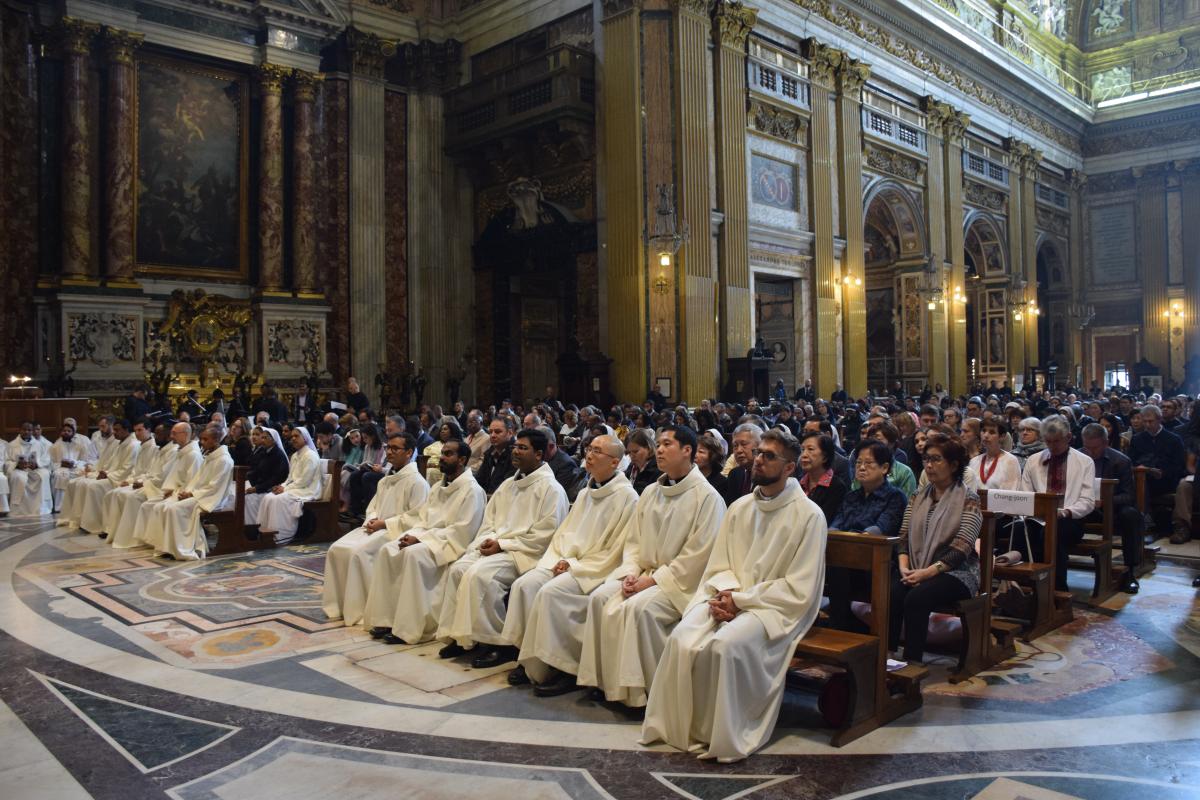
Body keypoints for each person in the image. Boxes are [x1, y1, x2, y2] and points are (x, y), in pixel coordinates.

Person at [641, 428, 827, 762]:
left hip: (774, 609)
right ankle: (682, 729)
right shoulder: (740, 508)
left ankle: (721, 735)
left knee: (725, 645)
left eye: (769, 456)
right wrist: (725, 594)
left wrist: (741, 601)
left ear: (789, 467)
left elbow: (799, 586)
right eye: (759, 453)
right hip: (728, 597)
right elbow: (719, 564)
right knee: (682, 638)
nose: (758, 460)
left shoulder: (809, 516)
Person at [576, 426, 725, 707]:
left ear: (687, 450)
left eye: (667, 444)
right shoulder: (651, 492)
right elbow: (633, 542)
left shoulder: (707, 498)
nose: (659, 450)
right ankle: (606, 683)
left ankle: (645, 694)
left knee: (640, 609)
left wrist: (654, 580)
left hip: (681, 583)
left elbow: (697, 556)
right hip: (644, 574)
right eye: (658, 444)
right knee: (600, 598)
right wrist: (631, 573)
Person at [502, 435, 640, 695]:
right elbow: (563, 534)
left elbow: (615, 550)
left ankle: (562, 667)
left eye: (597, 451)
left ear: (614, 462)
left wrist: (573, 565)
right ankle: (528, 658)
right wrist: (559, 560)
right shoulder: (586, 492)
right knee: (525, 585)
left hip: (594, 569)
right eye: (589, 449)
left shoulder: (627, 498)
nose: (589, 454)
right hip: (565, 561)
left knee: (551, 592)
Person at [434, 429, 569, 668]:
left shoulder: (551, 489)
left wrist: (503, 544)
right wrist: (489, 540)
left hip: (524, 553)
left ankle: (498, 643)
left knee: (480, 576)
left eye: (523, 448)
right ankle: (461, 636)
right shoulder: (508, 484)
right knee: (458, 569)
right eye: (515, 446)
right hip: (497, 547)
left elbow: (546, 536)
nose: (515, 451)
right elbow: (489, 521)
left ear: (539, 454)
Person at [363, 439, 487, 644]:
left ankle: (410, 628)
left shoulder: (472, 491)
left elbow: (462, 532)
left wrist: (420, 539)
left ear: (462, 460)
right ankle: (387, 619)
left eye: (448, 454)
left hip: (447, 545)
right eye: (442, 453)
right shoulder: (437, 487)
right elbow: (423, 520)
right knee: (388, 550)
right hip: (427, 538)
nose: (442, 457)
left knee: (413, 556)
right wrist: (411, 535)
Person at [891, 433, 981, 664]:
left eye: (936, 459)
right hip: (916, 566)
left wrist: (926, 573)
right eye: (926, 459)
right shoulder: (918, 496)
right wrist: (904, 568)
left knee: (917, 597)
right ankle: (888, 656)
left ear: (954, 465)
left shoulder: (969, 498)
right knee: (892, 591)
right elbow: (903, 536)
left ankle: (912, 663)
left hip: (957, 572)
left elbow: (962, 548)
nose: (929, 465)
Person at [322, 432, 430, 626]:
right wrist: (372, 519)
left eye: (395, 448)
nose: (389, 452)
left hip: (395, 533)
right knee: (336, 549)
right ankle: (339, 606)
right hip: (376, 528)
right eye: (388, 448)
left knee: (357, 553)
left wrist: (385, 523)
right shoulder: (386, 479)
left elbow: (417, 517)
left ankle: (360, 608)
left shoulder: (418, 482)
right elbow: (373, 506)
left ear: (409, 452)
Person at [1019, 416, 1096, 591]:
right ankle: (1026, 585)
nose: (1052, 446)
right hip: (1037, 517)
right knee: (1020, 531)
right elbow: (1026, 493)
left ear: (1068, 437)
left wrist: (1065, 512)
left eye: (1056, 441)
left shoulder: (1084, 462)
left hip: (1070, 519)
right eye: (1048, 441)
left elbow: (1087, 501)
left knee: (1052, 533)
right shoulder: (1033, 460)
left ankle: (1057, 588)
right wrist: (1032, 512)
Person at [146, 426, 234, 560]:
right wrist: (186, 492)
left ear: (216, 440)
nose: (202, 442)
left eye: (205, 439)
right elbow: (197, 480)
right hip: (200, 495)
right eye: (201, 439)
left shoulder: (224, 460)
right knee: (164, 506)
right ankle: (167, 547)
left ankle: (182, 548)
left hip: (211, 499)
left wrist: (192, 494)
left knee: (174, 509)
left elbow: (215, 487)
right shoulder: (211, 456)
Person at [108, 422, 193, 549]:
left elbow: (163, 476)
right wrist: (136, 481)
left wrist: (144, 483)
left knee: (132, 497)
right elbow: (150, 472)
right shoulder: (161, 450)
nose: (154, 437)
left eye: (158, 434)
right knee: (118, 493)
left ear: (167, 436)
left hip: (159, 488)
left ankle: (133, 538)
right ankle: (118, 533)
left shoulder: (174, 452)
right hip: (154, 485)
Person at [1080, 423, 1143, 593]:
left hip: (1113, 509)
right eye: (1086, 447)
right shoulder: (1078, 457)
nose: (1090, 452)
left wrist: (1105, 501)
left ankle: (1130, 571)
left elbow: (1129, 496)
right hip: (1084, 507)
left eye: (1095, 448)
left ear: (1106, 443)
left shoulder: (1121, 461)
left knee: (1130, 516)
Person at [61, 419, 140, 532]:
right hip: (111, 475)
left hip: (119, 479)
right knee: (82, 482)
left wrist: (107, 474)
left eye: (117, 430)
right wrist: (102, 471)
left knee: (93, 487)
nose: (114, 433)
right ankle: (80, 519)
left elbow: (127, 469)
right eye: (114, 430)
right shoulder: (120, 443)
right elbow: (110, 463)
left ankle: (93, 524)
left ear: (126, 430)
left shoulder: (133, 445)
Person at [256, 427, 325, 546]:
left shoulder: (310, 456)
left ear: (305, 438)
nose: (293, 439)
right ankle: (264, 532)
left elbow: (304, 481)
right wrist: (281, 486)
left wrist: (285, 489)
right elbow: (290, 478)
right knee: (268, 497)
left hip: (307, 490)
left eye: (296, 436)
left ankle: (281, 535)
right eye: (292, 436)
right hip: (296, 488)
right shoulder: (294, 456)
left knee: (278, 499)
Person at [1127, 404, 1187, 533]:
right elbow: (1130, 461)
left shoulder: (1173, 439)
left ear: (1159, 420)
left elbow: (1179, 465)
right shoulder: (1137, 439)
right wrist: (1144, 469)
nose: (1147, 425)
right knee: (1139, 479)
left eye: (1151, 421)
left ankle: (1144, 518)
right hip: (1142, 477)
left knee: (1142, 481)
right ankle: (1140, 518)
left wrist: (1161, 472)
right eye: (1145, 421)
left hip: (1166, 480)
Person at [94, 419, 158, 537]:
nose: (137, 433)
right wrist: (128, 481)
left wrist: (135, 481)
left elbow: (150, 472)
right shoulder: (142, 446)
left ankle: (127, 533)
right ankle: (111, 529)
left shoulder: (154, 447)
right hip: (135, 481)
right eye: (135, 431)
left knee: (122, 495)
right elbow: (135, 470)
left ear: (149, 430)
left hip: (146, 484)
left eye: (140, 430)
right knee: (111, 495)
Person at [241, 425, 292, 526]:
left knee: (249, 499)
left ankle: (255, 526)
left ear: (273, 439)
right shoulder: (264, 452)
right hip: (262, 486)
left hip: (272, 488)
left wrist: (257, 488)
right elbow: (257, 470)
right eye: (262, 437)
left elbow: (276, 479)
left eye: (265, 438)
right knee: (241, 493)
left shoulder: (278, 455)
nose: (262, 440)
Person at [5, 420, 52, 517]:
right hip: (18, 469)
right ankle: (19, 510)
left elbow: (46, 459)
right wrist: (17, 464)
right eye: (24, 429)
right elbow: (6, 461)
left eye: (29, 430)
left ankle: (40, 508)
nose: (26, 432)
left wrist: (37, 464)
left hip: (35, 469)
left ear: (32, 431)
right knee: (18, 477)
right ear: (19, 430)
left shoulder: (39, 444)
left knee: (43, 475)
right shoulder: (12, 445)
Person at [798, 432, 847, 525]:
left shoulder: (836, 486)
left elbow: (824, 520)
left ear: (825, 457)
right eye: (802, 449)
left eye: (810, 449)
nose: (803, 455)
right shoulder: (798, 484)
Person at [49, 420, 96, 513]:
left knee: (82, 475)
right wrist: (61, 464)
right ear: (61, 432)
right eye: (64, 431)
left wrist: (74, 463)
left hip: (76, 468)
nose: (66, 432)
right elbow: (51, 462)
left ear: (73, 433)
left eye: (69, 431)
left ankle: (77, 506)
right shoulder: (55, 446)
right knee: (59, 475)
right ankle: (60, 507)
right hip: (61, 468)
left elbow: (86, 460)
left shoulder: (80, 445)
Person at [969, 418, 1022, 491]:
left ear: (1002, 436)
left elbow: (1011, 493)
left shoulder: (1010, 460)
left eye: (992, 432)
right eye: (983, 431)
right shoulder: (973, 461)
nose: (986, 435)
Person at [720, 423, 762, 506]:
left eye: (744, 444)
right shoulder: (734, 474)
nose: (739, 450)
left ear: (759, 446)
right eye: (735, 446)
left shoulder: (767, 475)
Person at [475, 416, 516, 495]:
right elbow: (479, 480)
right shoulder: (490, 453)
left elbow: (506, 489)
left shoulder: (516, 454)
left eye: (497, 432)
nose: (492, 435)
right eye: (490, 432)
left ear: (510, 433)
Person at [624, 428, 661, 494]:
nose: (631, 456)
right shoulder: (632, 466)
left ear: (649, 448)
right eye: (629, 452)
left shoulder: (659, 469)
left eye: (635, 451)